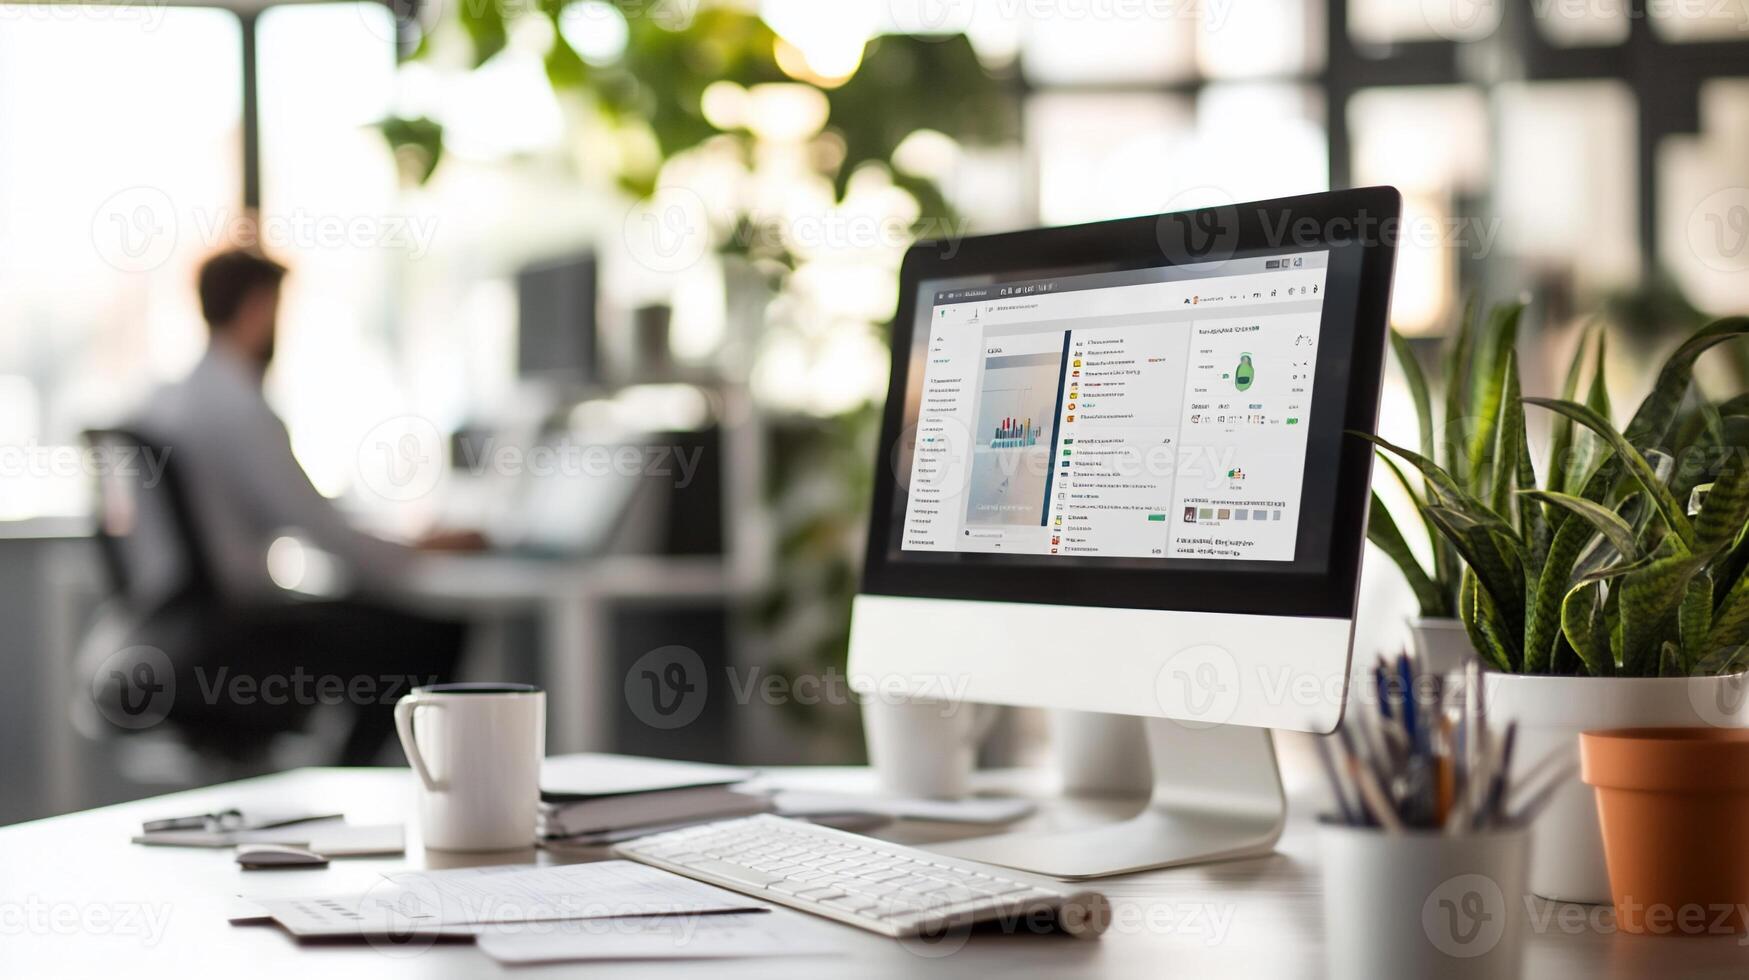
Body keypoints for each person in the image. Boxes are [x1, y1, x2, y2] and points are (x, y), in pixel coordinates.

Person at [122, 247, 480, 764]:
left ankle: (345, 782)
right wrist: (417, 551)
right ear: (258, 308)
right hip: (235, 638)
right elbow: (321, 530)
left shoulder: (164, 399)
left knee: (379, 630)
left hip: (179, 632)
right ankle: (356, 783)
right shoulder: (239, 408)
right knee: (427, 636)